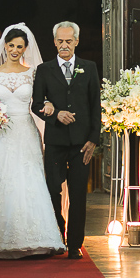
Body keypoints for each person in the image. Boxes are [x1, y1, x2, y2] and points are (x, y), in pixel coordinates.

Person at [0, 24, 65, 258]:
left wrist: (49, 104)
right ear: (4, 46)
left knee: (26, 179)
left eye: (19, 46)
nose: (15, 50)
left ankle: (32, 237)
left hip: (24, 131)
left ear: (26, 48)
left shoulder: (33, 72)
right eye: (11, 45)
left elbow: (42, 99)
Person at [31, 21, 102, 260]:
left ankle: (74, 244)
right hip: (56, 141)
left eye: (68, 41)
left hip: (82, 143)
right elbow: (36, 104)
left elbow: (95, 105)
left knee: (78, 193)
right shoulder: (44, 69)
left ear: (76, 42)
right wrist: (55, 115)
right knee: (52, 189)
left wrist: (93, 139)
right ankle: (57, 233)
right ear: (54, 42)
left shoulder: (89, 67)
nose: (64, 45)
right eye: (60, 41)